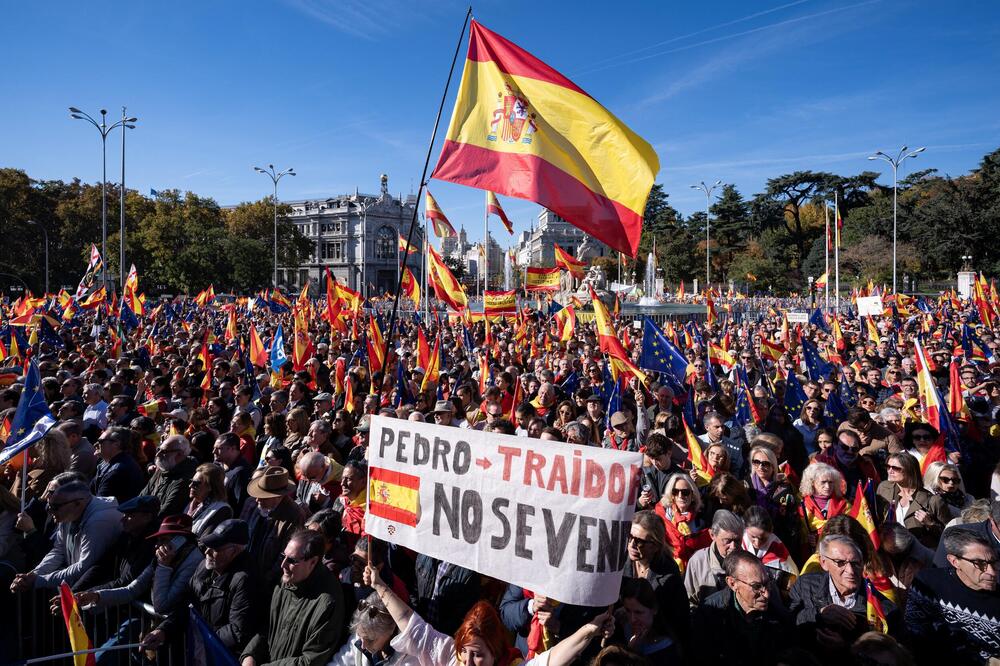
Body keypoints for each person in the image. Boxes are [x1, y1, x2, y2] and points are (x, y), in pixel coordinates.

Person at [363, 563, 614, 666]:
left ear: (495, 651)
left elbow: (553, 659)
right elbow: (410, 622)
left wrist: (590, 629)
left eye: (479, 654)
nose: (469, 662)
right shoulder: (449, 655)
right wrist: (379, 585)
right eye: (466, 652)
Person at [141, 519, 255, 657]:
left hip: (220, 656)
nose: (207, 551)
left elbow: (236, 631)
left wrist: (202, 639)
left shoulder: (244, 580)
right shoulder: (204, 568)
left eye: (215, 548)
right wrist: (163, 630)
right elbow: (187, 606)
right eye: (207, 545)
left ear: (234, 551)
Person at [241, 529, 344, 666]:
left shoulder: (328, 604)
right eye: (283, 556)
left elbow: (311, 660)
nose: (283, 565)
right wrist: (250, 655)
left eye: (292, 560)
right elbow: (268, 627)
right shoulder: (286, 581)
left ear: (313, 562)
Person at [10, 473, 122, 592]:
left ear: (77, 503)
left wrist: (38, 580)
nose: (50, 510)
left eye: (55, 506)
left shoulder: (99, 521)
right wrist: (34, 574)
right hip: (78, 589)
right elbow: (59, 551)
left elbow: (83, 567)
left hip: (99, 595)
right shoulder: (68, 513)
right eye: (49, 506)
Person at [789, 535, 898, 653]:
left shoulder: (884, 610)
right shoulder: (804, 585)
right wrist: (819, 613)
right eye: (840, 562)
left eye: (855, 563)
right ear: (823, 562)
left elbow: (894, 656)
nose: (850, 571)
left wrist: (847, 648)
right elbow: (788, 623)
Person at [905, 529, 1000, 664]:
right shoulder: (927, 584)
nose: (991, 572)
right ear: (955, 561)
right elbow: (914, 633)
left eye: (993, 562)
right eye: (979, 563)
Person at [690, 551, 794, 666]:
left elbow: (788, 648)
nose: (766, 594)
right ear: (732, 583)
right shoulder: (709, 615)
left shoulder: (777, 611)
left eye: (767, 583)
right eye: (756, 586)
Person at [620, 510, 689, 647]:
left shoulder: (668, 573)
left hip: (657, 641)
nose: (632, 544)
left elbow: (678, 620)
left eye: (640, 541)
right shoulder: (620, 560)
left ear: (655, 546)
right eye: (630, 536)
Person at [245, 466, 306, 591]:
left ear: (278, 496)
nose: (257, 499)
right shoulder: (254, 504)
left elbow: (284, 556)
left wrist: (265, 580)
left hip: (265, 583)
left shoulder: (294, 516)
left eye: (263, 496)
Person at [876, 452, 950, 548]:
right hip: (887, 549)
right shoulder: (883, 488)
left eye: (895, 468)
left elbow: (949, 535)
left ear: (910, 470)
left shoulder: (933, 501)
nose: (890, 471)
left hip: (918, 554)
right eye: (888, 466)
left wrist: (930, 524)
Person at [327, 591, 420, 665]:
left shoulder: (412, 658)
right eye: (360, 636)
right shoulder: (364, 633)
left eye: (370, 640)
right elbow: (340, 662)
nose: (362, 645)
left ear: (390, 630)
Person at [684, 509, 744, 606]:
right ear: (712, 535)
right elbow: (689, 601)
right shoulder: (698, 562)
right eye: (727, 541)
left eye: (737, 540)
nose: (733, 546)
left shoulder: (749, 564)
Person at [615, 578, 682, 663]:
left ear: (654, 609)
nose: (632, 619)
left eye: (638, 612)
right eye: (628, 611)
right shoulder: (619, 632)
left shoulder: (667, 650)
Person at [655, 473, 711, 570]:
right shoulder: (662, 516)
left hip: (695, 568)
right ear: (671, 494)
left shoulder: (702, 518)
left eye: (685, 492)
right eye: (676, 492)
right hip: (667, 567)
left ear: (692, 495)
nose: (680, 496)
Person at [741, 506, 799, 592]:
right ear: (745, 528)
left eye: (762, 538)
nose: (757, 543)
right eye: (753, 537)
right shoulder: (738, 544)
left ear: (771, 531)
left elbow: (791, 583)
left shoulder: (778, 549)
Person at [798, 463, 850, 553]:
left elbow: (850, 529)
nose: (828, 486)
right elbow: (798, 531)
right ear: (812, 482)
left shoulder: (844, 505)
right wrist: (807, 538)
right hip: (810, 554)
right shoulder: (801, 504)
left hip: (838, 551)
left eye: (831, 482)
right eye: (823, 482)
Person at [142, 434, 198, 518]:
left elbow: (165, 513)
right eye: (158, 449)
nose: (157, 454)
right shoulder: (164, 468)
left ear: (179, 454)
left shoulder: (186, 479)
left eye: (164, 451)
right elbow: (142, 497)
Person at [185, 462, 233, 538]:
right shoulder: (192, 505)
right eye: (191, 481)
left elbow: (205, 542)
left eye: (196, 483)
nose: (190, 485)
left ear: (210, 486)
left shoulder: (221, 510)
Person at [215, 432, 252, 515]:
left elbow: (240, 505)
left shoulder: (241, 472)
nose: (214, 451)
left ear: (232, 449)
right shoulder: (218, 466)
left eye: (219, 448)